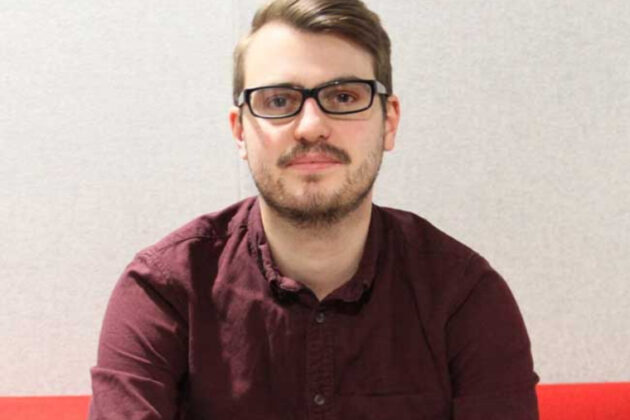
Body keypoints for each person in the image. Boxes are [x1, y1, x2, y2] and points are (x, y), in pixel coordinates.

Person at [89, 0, 539, 418]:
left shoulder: (463, 296)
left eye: (344, 97)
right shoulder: (165, 290)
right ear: (240, 132)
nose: (310, 126)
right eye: (278, 101)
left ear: (389, 122)